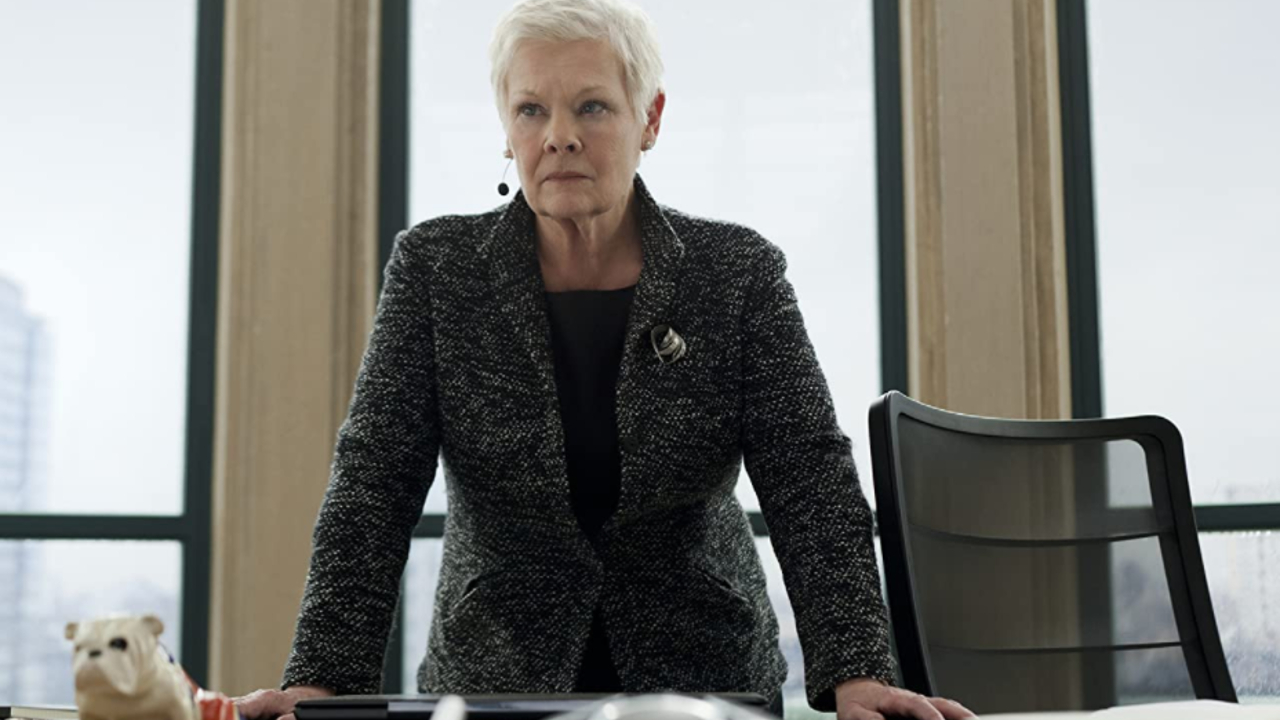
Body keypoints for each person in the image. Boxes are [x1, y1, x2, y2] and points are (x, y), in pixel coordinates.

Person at [235, 1, 975, 719]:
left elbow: (809, 481)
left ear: (648, 119)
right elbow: (373, 483)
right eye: (531, 110)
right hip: (494, 686)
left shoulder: (738, 273)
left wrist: (857, 671)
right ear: (506, 128)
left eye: (591, 107)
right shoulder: (436, 269)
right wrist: (323, 681)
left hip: (703, 687)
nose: (559, 136)